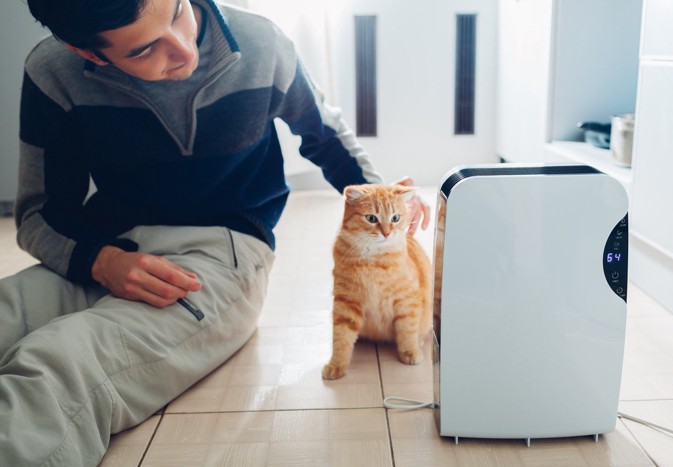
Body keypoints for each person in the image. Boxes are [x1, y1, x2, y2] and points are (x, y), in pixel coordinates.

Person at [0, 0, 430, 464]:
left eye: (179, 12)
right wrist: (101, 261)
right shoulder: (52, 72)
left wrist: (384, 196)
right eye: (146, 50)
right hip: (103, 247)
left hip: (222, 251)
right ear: (89, 55)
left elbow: (324, 136)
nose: (184, 49)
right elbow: (40, 216)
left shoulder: (261, 44)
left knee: (56, 365)